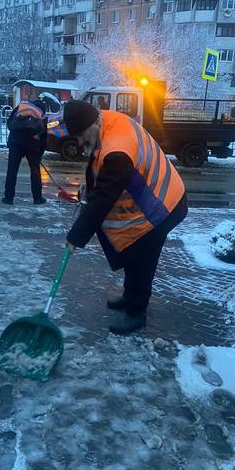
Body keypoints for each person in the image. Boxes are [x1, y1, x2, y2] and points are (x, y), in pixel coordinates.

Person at [60, 99, 189, 336]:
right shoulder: (106, 121)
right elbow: (99, 167)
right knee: (132, 251)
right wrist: (90, 185)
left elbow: (103, 201)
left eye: (81, 136)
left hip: (164, 205)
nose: (79, 142)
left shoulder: (117, 151)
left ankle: (137, 312)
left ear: (93, 124)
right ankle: (130, 297)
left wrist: (75, 237)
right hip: (153, 197)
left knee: (142, 257)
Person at [2, 98, 47, 206]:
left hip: (15, 142)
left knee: (12, 170)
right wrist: (39, 156)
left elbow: (9, 124)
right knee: (35, 172)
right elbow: (44, 138)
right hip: (32, 145)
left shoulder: (21, 107)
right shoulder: (40, 115)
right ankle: (37, 198)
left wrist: (16, 134)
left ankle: (8, 198)